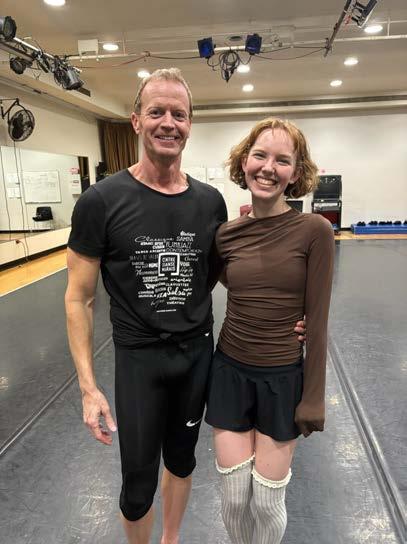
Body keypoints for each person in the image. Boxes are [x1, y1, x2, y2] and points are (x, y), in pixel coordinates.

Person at [65, 68, 306, 544]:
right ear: (136, 120)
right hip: (138, 361)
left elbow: (221, 274)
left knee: (181, 460)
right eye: (156, 111)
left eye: (179, 114)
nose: (168, 122)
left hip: (195, 357)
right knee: (137, 485)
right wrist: (88, 388)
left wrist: (289, 321)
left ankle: (171, 539)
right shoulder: (100, 201)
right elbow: (79, 296)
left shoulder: (209, 202)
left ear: (190, 124)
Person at [205, 117, 335, 544]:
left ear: (295, 173)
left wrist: (313, 397)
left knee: (265, 502)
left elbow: (318, 319)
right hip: (229, 373)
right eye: (260, 155)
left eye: (282, 160)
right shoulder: (227, 235)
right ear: (244, 162)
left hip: (282, 380)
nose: (268, 167)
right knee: (234, 498)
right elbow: (233, 284)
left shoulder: (315, 231)